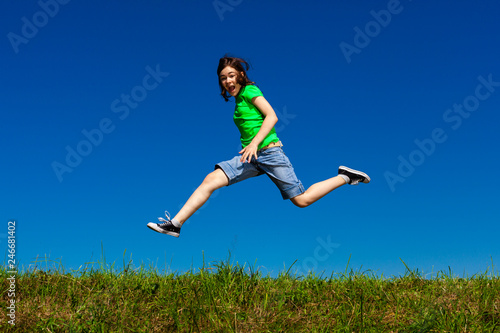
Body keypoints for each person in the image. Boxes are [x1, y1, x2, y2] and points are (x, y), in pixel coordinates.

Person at [147, 55, 370, 238]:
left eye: (231, 75)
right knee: (210, 180)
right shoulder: (237, 101)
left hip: (270, 152)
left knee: (301, 200)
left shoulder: (250, 91)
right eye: (223, 78)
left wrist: (254, 143)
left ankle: (345, 176)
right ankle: (175, 224)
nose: (227, 81)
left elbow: (272, 116)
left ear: (241, 75)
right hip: (250, 157)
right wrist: (251, 148)